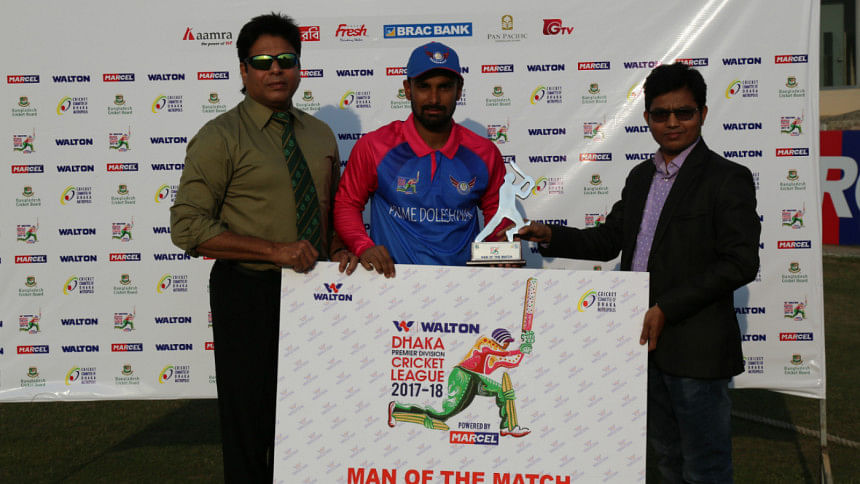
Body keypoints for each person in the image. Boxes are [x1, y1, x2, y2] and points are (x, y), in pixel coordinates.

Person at [517, 63, 760, 483]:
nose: (672, 123)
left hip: (697, 350)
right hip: (642, 346)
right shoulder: (640, 176)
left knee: (705, 468)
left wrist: (667, 307)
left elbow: (740, 262)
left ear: (703, 113)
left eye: (683, 112)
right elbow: (609, 240)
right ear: (647, 117)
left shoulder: (727, 178)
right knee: (665, 462)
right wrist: (551, 235)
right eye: (661, 114)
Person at [170, 13, 358, 482]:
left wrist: (341, 248)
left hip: (317, 297)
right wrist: (275, 252)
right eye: (262, 61)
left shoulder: (320, 134)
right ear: (243, 69)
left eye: (286, 60)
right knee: (250, 428)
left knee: (319, 419)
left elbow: (332, 212)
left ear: (299, 67)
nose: (275, 70)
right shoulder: (220, 137)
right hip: (248, 293)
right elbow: (187, 227)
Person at [334, 41, 507, 277]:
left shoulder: (484, 152)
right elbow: (347, 204)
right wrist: (363, 246)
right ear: (408, 89)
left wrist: (500, 257)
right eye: (424, 86)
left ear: (459, 90)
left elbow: (499, 215)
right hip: (391, 284)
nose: (434, 98)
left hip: (464, 286)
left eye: (444, 87)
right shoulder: (375, 146)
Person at [388, 328, 535, 437]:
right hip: (462, 376)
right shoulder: (485, 342)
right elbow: (502, 353)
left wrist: (524, 348)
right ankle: (397, 409)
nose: (507, 345)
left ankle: (508, 426)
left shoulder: (495, 353)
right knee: (444, 415)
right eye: (507, 343)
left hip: (473, 378)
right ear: (501, 340)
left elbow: (511, 362)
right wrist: (519, 348)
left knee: (501, 390)